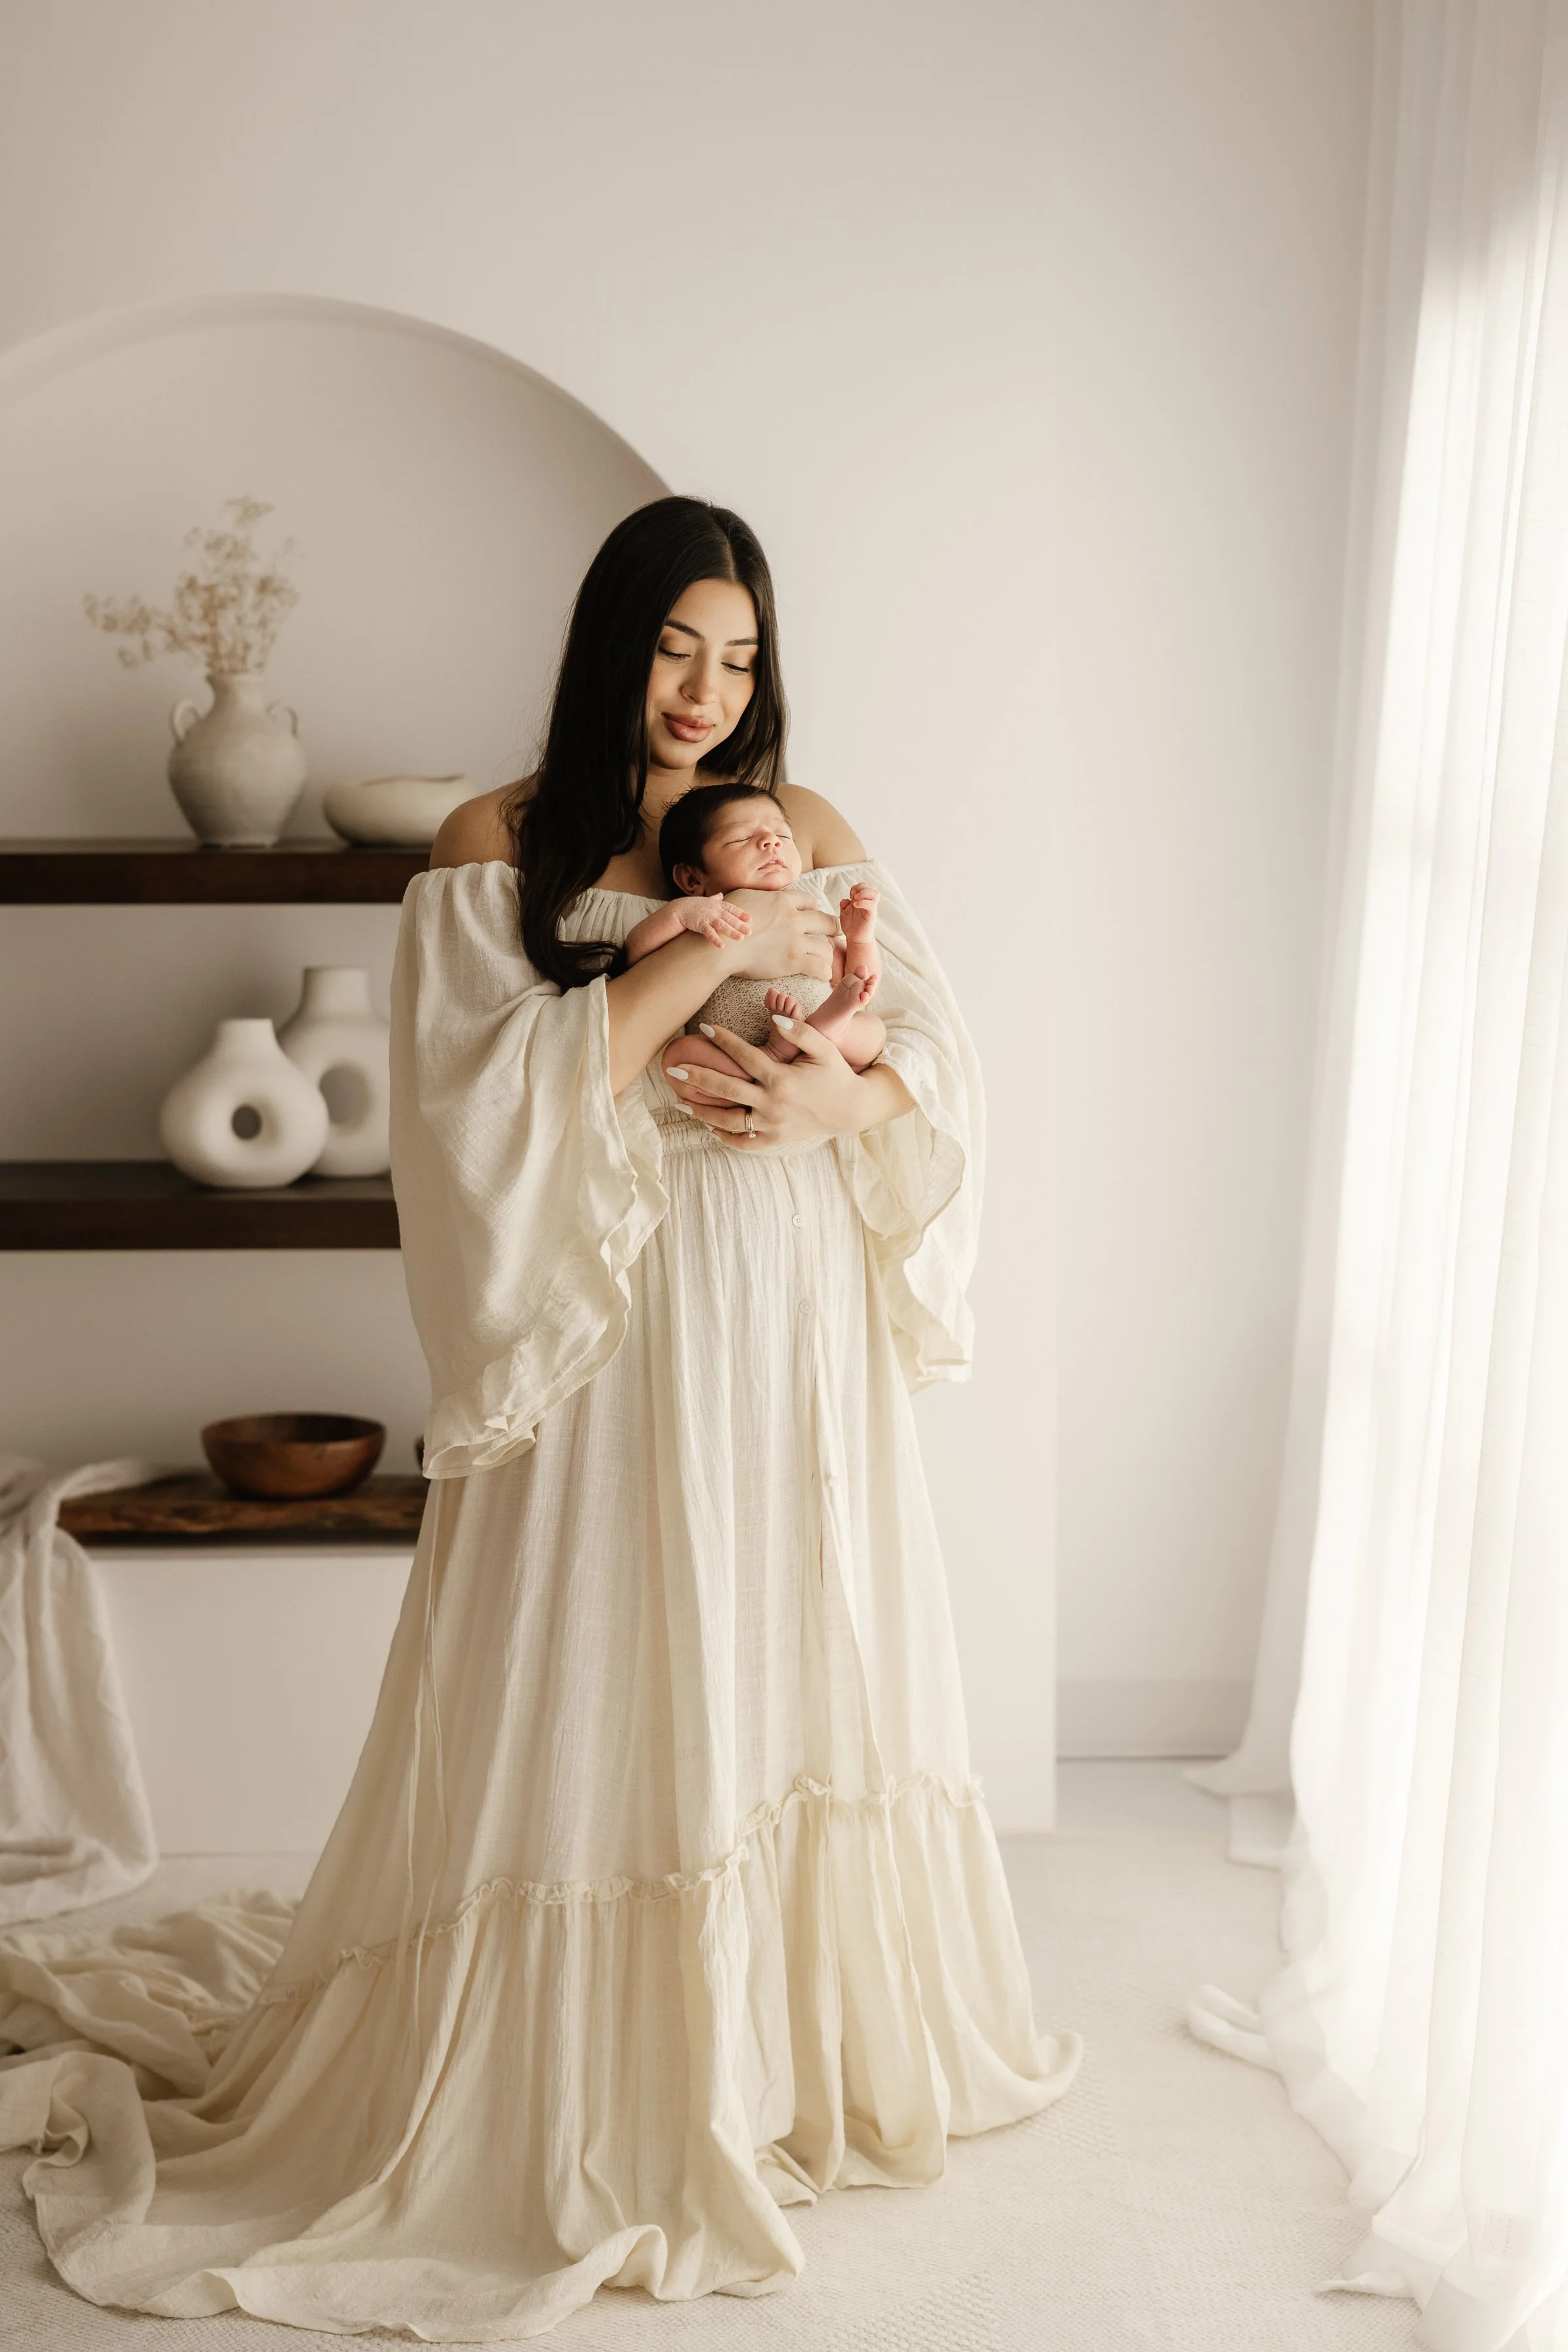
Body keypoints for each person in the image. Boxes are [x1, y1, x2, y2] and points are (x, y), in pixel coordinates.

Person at [0, 495, 1080, 2340]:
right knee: (608, 1645)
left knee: (780, 1627)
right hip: (615, 1323)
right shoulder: (499, 840)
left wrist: (846, 1101)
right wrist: (681, 950)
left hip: (785, 1299)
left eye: (739, 659)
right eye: (676, 646)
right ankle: (599, 2078)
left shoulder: (805, 825)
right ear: (611, 641)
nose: (706, 691)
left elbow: (936, 1050)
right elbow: (471, 1105)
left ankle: (780, 2057)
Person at [619, 778, 887, 1102]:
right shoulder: (705, 915)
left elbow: (858, 982)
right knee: (681, 1056)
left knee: (874, 1031)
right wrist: (680, 915)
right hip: (741, 1057)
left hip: (823, 1064)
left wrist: (860, 941)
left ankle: (827, 1031)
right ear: (692, 879)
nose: (771, 842)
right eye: (743, 838)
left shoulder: (806, 911)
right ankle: (775, 1053)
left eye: (783, 835)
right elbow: (635, 954)